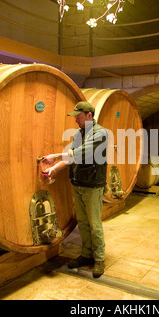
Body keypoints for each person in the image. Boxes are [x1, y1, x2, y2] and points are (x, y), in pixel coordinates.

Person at [41, 101, 108, 278]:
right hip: (78, 183)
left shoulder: (100, 133)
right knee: (83, 222)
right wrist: (54, 168)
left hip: (93, 184)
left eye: (78, 117)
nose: (76, 120)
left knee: (94, 224)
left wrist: (54, 156)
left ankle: (99, 259)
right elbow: (71, 156)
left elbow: (81, 153)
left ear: (89, 115)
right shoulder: (79, 134)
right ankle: (86, 255)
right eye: (75, 117)